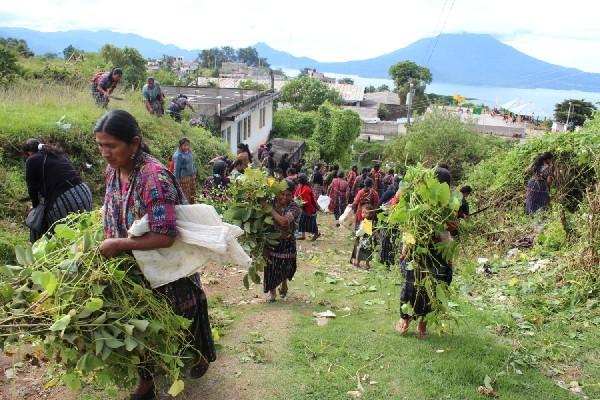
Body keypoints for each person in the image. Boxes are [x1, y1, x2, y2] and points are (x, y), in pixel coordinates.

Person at [94, 110, 216, 398]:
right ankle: (147, 382)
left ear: (134, 143)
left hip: (165, 268)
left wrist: (119, 244)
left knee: (177, 321)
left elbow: (165, 234)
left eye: (111, 146)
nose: (105, 153)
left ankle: (196, 355)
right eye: (99, 146)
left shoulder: (154, 178)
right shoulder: (112, 171)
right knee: (137, 325)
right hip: (130, 269)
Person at [23, 139, 93, 242]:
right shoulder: (55, 154)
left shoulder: (32, 160)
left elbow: (32, 188)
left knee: (56, 237)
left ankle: (39, 253)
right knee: (80, 234)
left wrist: (35, 207)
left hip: (66, 199)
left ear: (28, 152)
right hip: (84, 193)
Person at [263, 180, 301, 302]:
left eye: (288, 195)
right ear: (278, 192)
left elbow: (284, 222)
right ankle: (272, 293)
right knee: (270, 266)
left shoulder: (294, 207)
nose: (284, 197)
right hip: (271, 240)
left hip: (287, 241)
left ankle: (284, 282)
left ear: (293, 194)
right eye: (282, 194)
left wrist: (270, 210)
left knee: (285, 265)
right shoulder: (271, 202)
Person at [295, 174, 320, 241]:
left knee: (311, 223)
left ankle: (316, 233)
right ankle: (303, 236)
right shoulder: (300, 186)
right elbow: (296, 194)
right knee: (301, 221)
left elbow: (307, 201)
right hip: (304, 207)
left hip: (309, 208)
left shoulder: (306, 188)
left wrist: (299, 202)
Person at [173, 138, 197, 203]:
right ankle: (186, 209)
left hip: (191, 177)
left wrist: (194, 172)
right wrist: (177, 181)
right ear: (180, 146)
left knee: (192, 195)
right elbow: (176, 169)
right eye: (185, 145)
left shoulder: (188, 152)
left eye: (188, 145)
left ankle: (192, 208)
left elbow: (192, 163)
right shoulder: (179, 155)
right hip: (184, 179)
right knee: (185, 195)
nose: (187, 147)